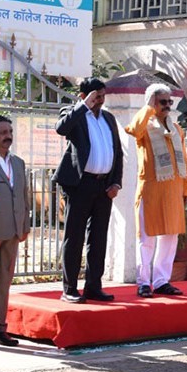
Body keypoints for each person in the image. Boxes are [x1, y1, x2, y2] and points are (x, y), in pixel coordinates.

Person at [53, 78, 123, 303]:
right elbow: (62, 128)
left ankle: (94, 286)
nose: (101, 100)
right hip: (80, 184)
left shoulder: (108, 118)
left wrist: (116, 182)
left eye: (103, 96)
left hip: (104, 186)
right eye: (96, 96)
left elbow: (117, 152)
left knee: (98, 238)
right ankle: (69, 288)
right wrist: (83, 105)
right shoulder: (74, 113)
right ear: (84, 96)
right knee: (74, 238)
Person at [125, 83, 187, 298]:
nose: (168, 106)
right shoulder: (146, 127)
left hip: (173, 190)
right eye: (163, 102)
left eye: (169, 102)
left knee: (170, 238)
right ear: (152, 103)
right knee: (147, 239)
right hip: (151, 191)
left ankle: (162, 281)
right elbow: (133, 129)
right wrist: (148, 108)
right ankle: (144, 282)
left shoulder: (176, 128)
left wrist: (186, 192)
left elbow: (186, 163)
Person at [0, 115, 29, 347]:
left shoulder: (18, 162)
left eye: (9, 131)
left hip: (12, 231)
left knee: (5, 280)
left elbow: (24, 197)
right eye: (2, 132)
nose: (7, 136)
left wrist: (25, 226)